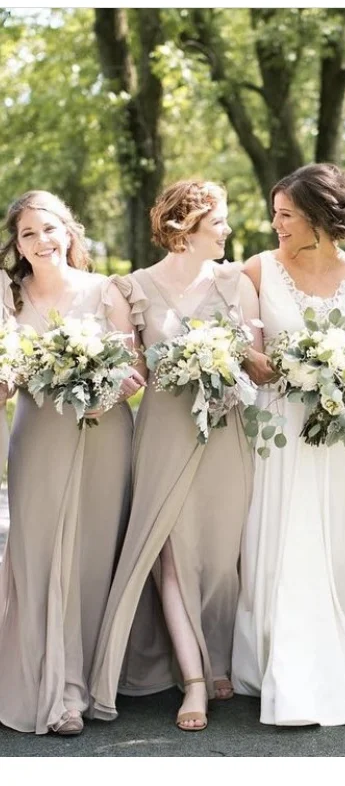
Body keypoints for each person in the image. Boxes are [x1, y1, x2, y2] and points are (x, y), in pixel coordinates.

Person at [89, 180, 260, 732]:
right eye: (220, 222)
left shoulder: (238, 282)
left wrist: (232, 358)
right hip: (164, 430)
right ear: (186, 225)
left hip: (225, 429)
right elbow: (129, 368)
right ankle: (193, 681)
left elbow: (257, 360)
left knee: (221, 551)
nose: (229, 231)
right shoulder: (131, 288)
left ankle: (220, 658)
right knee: (171, 554)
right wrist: (107, 388)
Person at [231, 163, 345, 726]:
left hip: (335, 430)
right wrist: (276, 363)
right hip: (276, 423)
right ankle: (270, 653)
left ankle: (344, 645)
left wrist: (342, 372)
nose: (275, 224)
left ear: (319, 217)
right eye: (275, 213)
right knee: (276, 525)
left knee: (335, 526)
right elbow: (247, 349)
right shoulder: (258, 268)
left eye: (286, 214)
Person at [0, 191, 144, 735]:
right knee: (36, 556)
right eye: (27, 234)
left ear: (69, 231)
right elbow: (7, 372)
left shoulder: (107, 290)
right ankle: (47, 684)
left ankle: (80, 687)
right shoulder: (6, 296)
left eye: (49, 229)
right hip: (38, 435)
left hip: (103, 433)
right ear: (16, 244)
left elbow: (133, 369)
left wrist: (103, 385)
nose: (41, 242)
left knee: (88, 558)